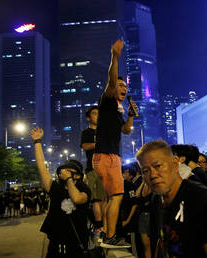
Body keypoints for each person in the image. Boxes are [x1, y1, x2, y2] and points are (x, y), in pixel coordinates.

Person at [136, 140, 207, 258]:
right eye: (145, 171)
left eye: (158, 166)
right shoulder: (156, 199)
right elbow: (162, 240)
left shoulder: (198, 196)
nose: (152, 175)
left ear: (175, 163)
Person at [93, 39, 137, 248]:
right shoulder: (107, 100)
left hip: (110, 157)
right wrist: (115, 57)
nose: (123, 88)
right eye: (121, 85)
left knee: (113, 197)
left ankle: (108, 236)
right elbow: (111, 82)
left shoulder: (117, 110)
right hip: (107, 157)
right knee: (117, 196)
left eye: (125, 87)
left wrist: (130, 116)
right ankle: (111, 237)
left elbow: (126, 130)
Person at [31, 127, 91, 257]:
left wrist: (69, 179)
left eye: (70, 171)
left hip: (76, 242)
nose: (64, 173)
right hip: (56, 242)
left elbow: (77, 199)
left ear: (78, 176)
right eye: (64, 171)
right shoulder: (56, 187)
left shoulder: (84, 189)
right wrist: (37, 142)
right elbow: (41, 166)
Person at [81, 106, 107, 238]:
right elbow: (85, 146)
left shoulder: (104, 131)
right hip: (93, 168)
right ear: (88, 118)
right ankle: (98, 226)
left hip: (106, 168)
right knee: (96, 199)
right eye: (94, 114)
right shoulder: (86, 132)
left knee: (103, 198)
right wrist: (98, 143)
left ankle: (104, 225)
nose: (98, 116)